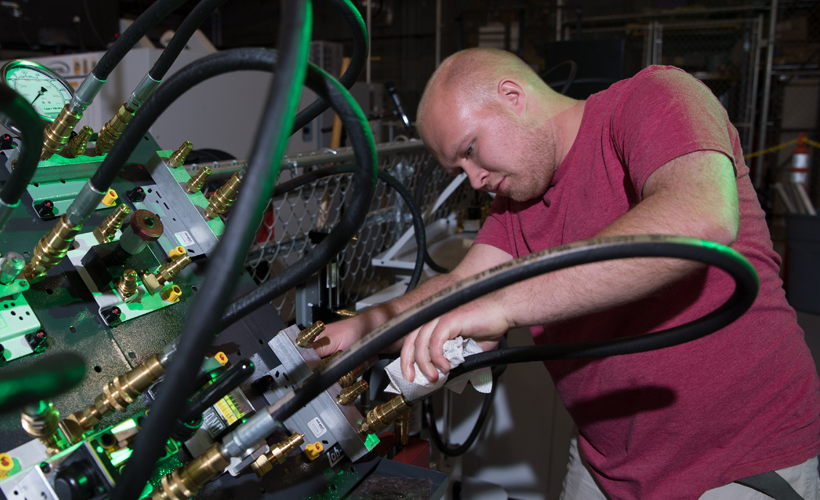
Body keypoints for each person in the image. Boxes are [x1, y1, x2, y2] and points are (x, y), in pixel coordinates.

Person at [313, 47, 820, 499]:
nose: (475, 179)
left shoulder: (654, 97)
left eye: (470, 150)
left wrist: (503, 304)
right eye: (458, 170)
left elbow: (699, 219)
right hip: (608, 466)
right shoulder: (517, 204)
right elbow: (461, 287)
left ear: (512, 96)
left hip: (737, 462)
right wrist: (363, 327)